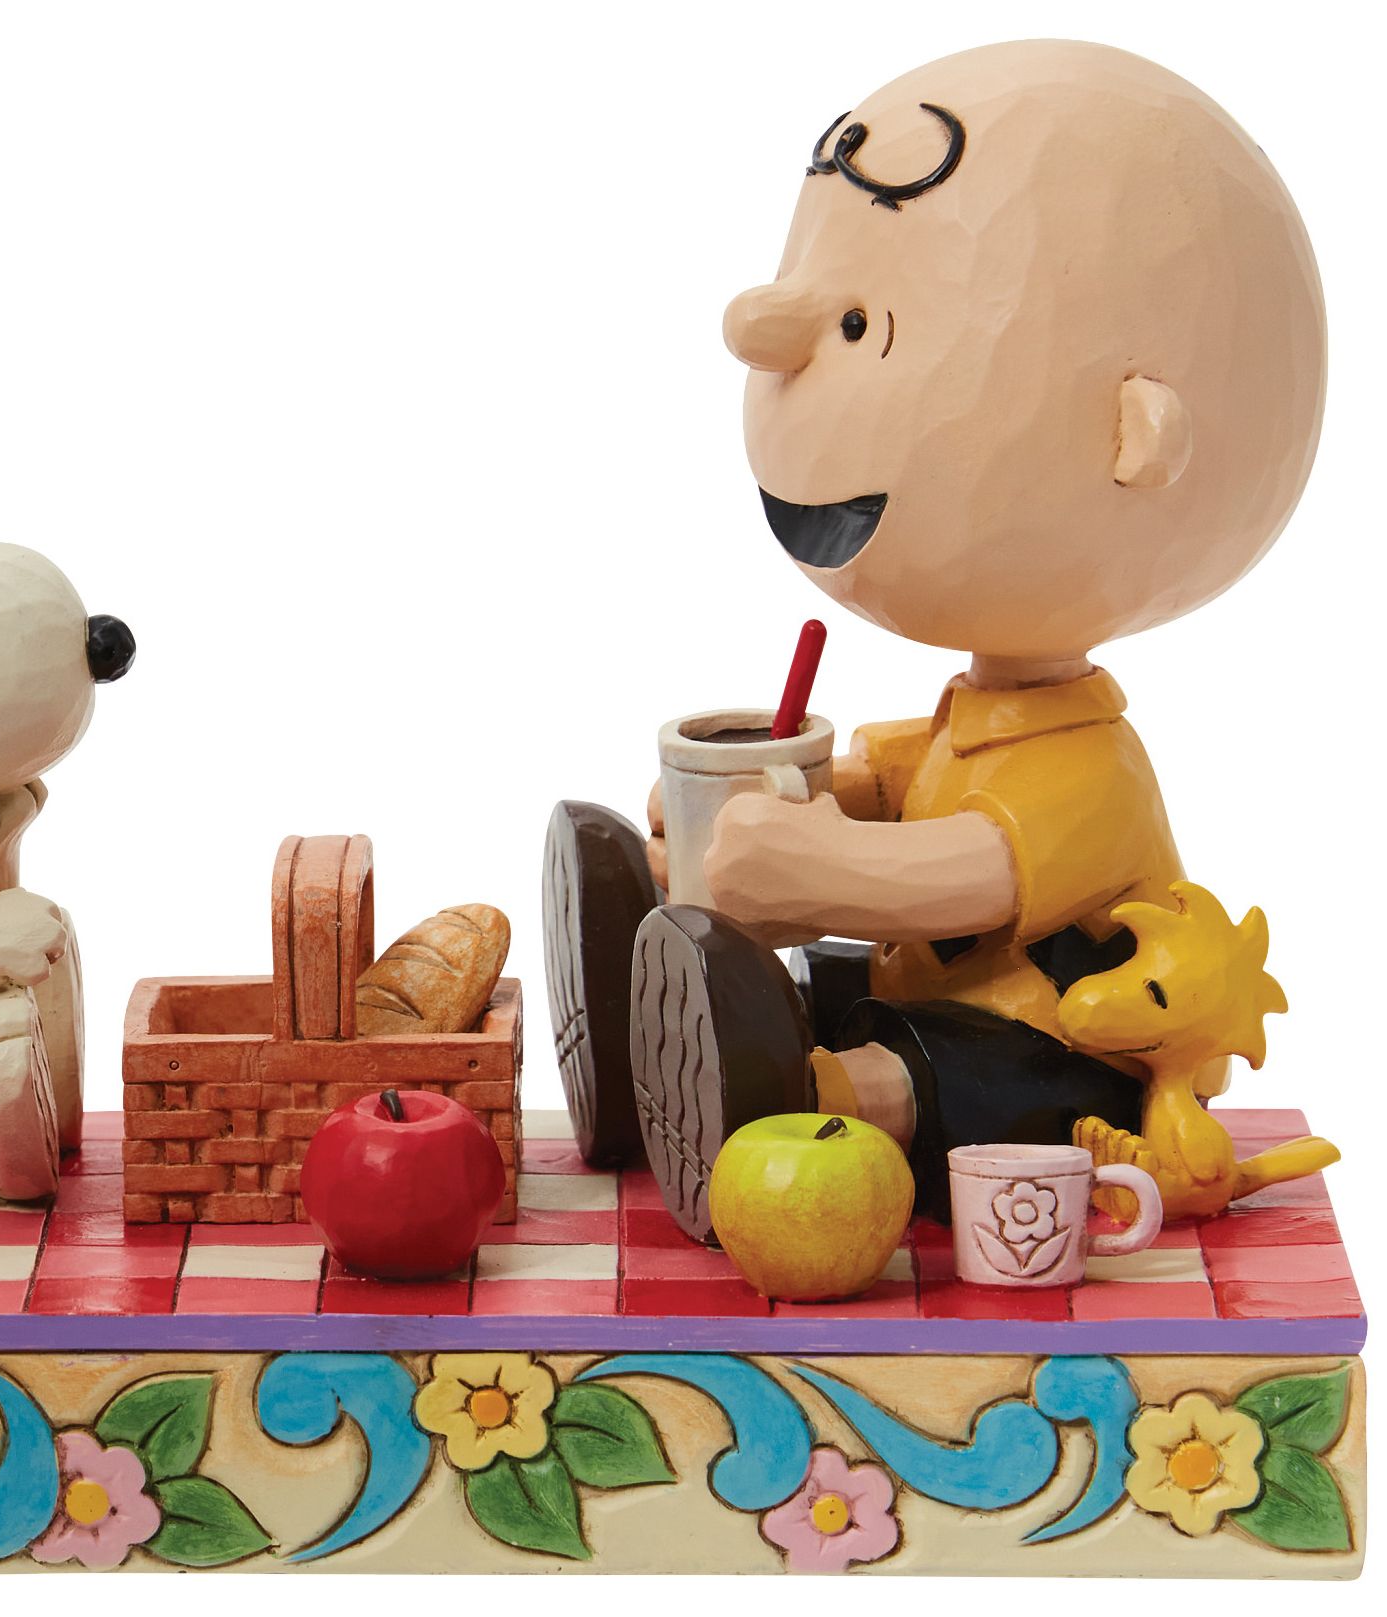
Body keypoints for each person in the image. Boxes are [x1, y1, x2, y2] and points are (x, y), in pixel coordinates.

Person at [542, 39, 1325, 1232]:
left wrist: (806, 872)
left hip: (1066, 1061)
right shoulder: (982, 718)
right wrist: (770, 806)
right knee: (820, 982)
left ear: (1136, 435)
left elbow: (950, 875)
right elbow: (889, 789)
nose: (762, 330)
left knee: (912, 1072)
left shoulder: (1091, 774)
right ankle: (650, 991)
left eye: (863, 323)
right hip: (922, 988)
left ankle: (777, 1097)